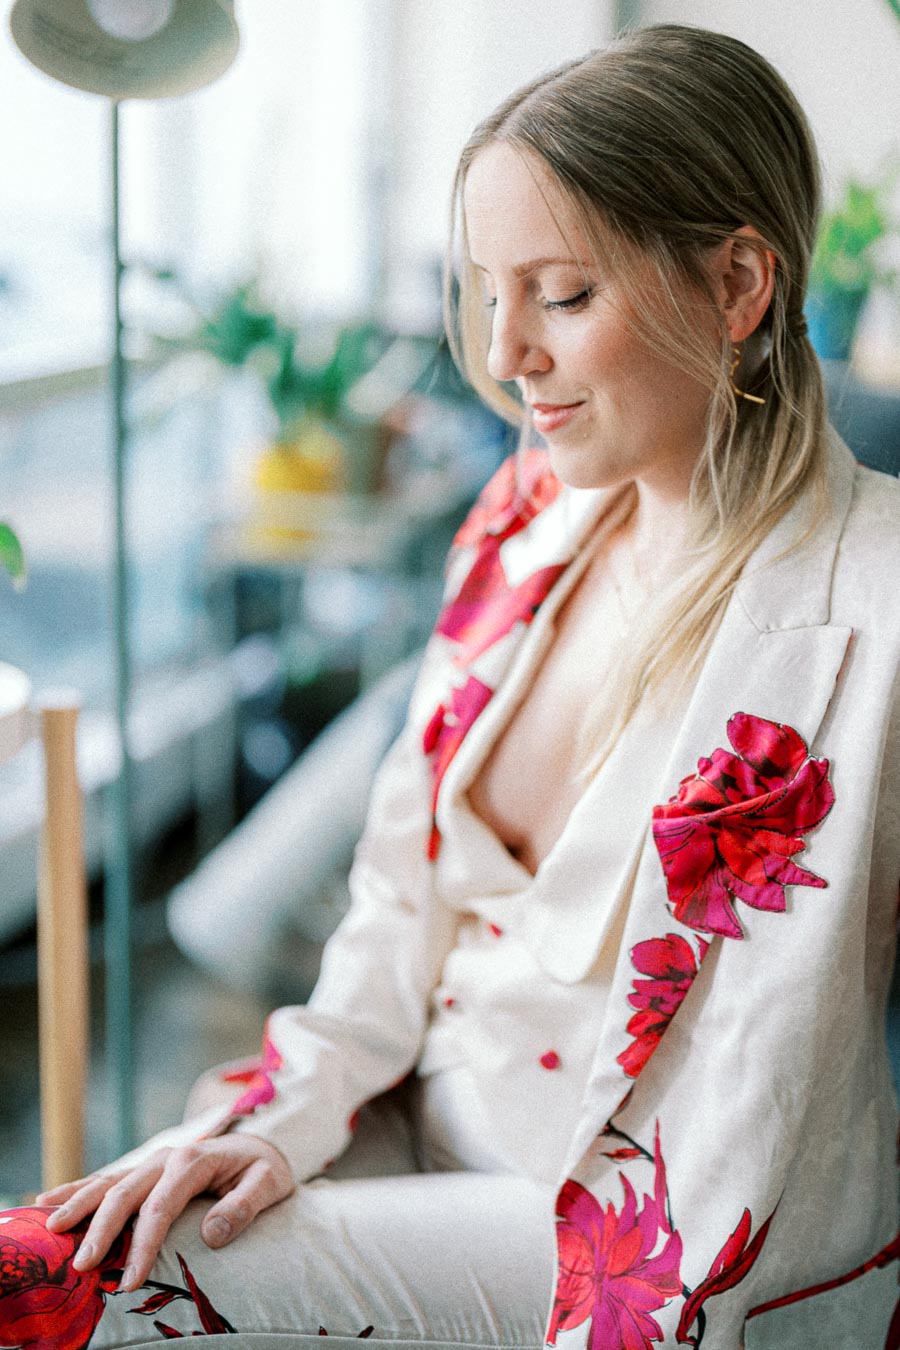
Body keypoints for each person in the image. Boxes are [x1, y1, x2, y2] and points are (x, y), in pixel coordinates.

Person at [3, 22, 898, 1350]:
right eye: (486, 291)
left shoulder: (872, 601)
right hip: (411, 1111)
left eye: (562, 295)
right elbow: (394, 898)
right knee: (94, 1218)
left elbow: (740, 1124)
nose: (505, 353)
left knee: (43, 1291)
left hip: (628, 1234)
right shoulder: (526, 513)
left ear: (738, 285)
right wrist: (281, 1117)